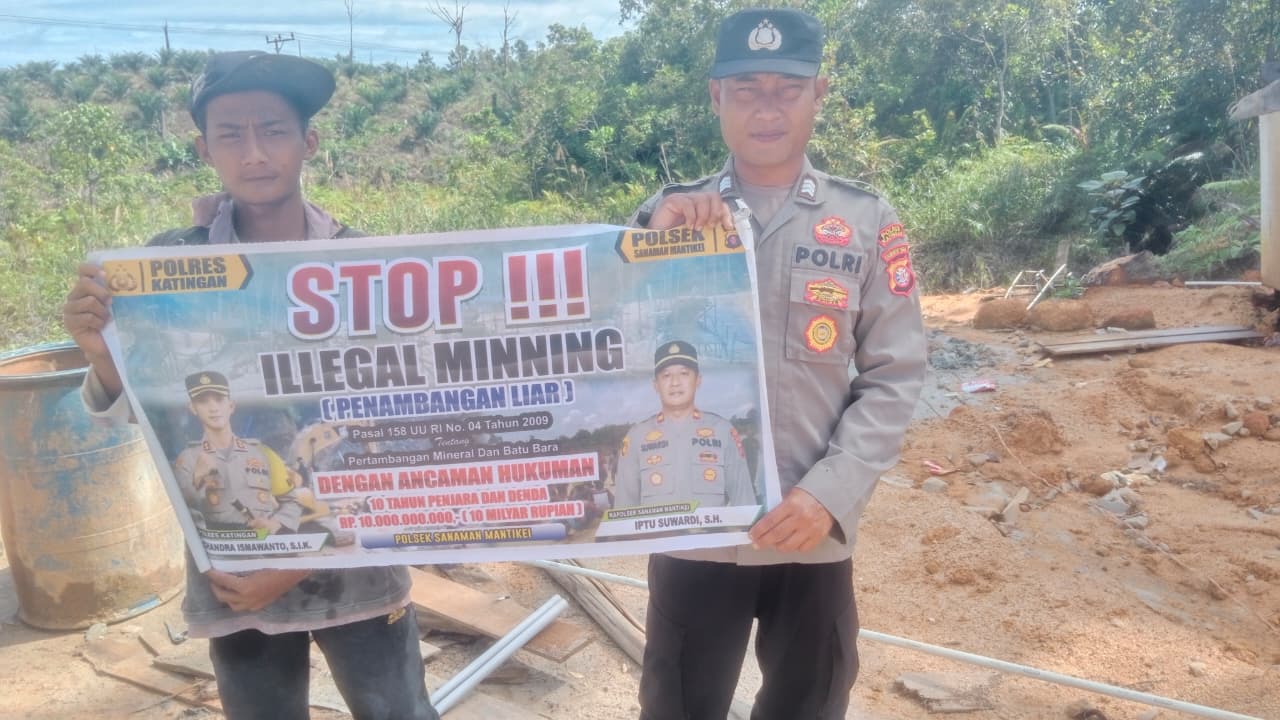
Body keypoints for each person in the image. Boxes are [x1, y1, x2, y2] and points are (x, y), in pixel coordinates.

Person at [61, 51, 438, 720]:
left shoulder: (366, 266)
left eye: (274, 130)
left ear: (308, 142)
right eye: (231, 134)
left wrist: (301, 558)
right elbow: (150, 416)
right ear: (204, 149)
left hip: (356, 564)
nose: (255, 153)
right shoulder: (165, 266)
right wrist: (103, 353)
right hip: (233, 573)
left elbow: (394, 427)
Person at [629, 9, 926, 719]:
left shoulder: (867, 221)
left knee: (807, 705)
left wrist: (830, 493)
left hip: (811, 531)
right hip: (698, 530)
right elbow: (616, 347)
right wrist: (651, 250)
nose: (767, 108)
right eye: (746, 89)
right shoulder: (669, 217)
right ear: (715, 97)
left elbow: (895, 375)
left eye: (787, 89)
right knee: (678, 707)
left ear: (818, 94)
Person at [614, 340, 756, 510]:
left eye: (684, 373)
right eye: (666, 375)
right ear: (656, 385)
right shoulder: (636, 437)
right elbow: (623, 511)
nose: (675, 382)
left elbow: (745, 504)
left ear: (698, 380)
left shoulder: (723, 432)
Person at [174, 370, 304, 535]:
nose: (213, 408)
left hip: (263, 543)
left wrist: (276, 523)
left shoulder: (262, 454)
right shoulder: (188, 460)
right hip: (219, 546)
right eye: (203, 401)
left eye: (219, 400)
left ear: (231, 406)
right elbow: (178, 514)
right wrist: (198, 480)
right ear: (193, 408)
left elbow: (292, 501)